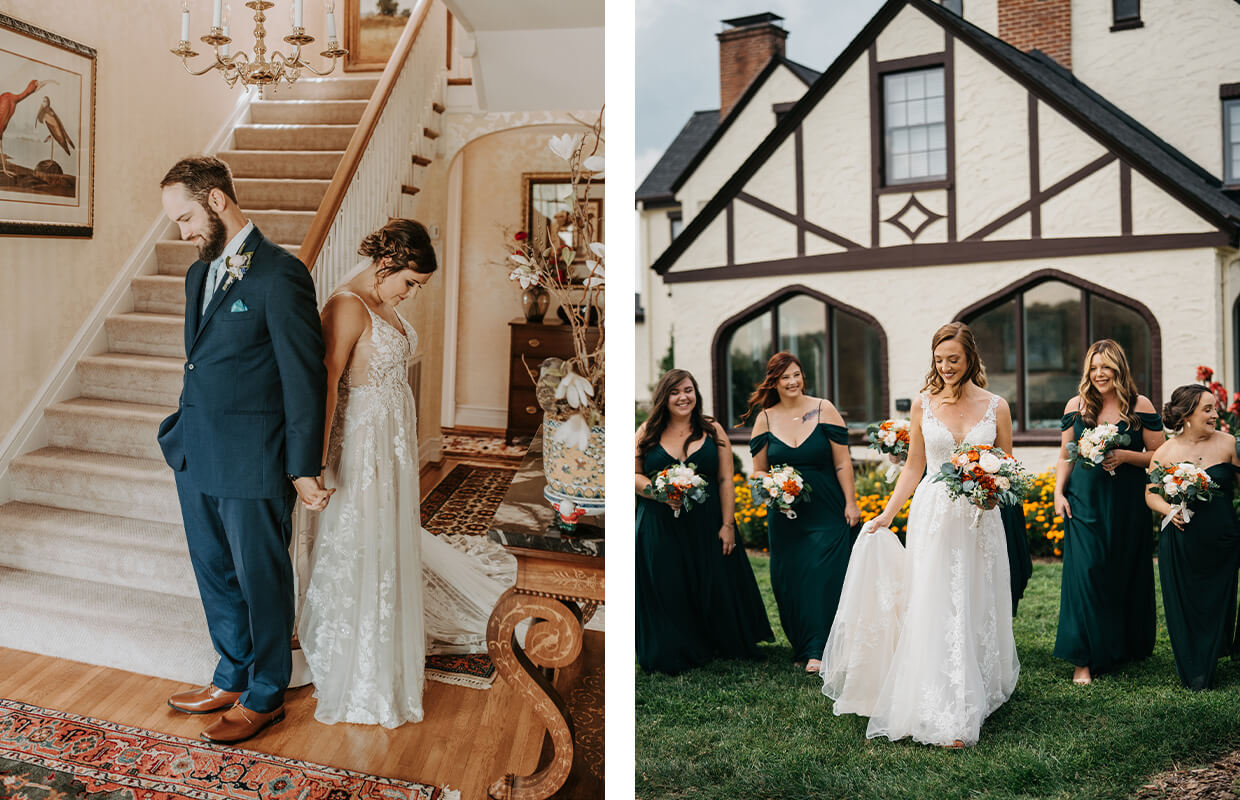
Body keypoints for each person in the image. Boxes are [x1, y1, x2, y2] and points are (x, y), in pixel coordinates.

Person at [296, 219, 514, 727]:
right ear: (386, 264)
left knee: (388, 542)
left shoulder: (382, 304)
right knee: (362, 544)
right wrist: (313, 461)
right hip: (361, 451)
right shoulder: (346, 305)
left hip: (390, 448)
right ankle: (360, 662)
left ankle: (387, 630)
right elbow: (327, 382)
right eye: (410, 283)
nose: (411, 294)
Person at [156, 155, 330, 744]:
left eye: (184, 219)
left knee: (261, 579)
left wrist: (303, 467)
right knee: (214, 573)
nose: (181, 234)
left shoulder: (280, 274)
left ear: (217, 201)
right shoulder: (197, 275)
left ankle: (266, 692)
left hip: (255, 458)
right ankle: (230, 673)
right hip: (196, 451)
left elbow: (304, 376)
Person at [821, 321, 1019, 747]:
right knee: (935, 601)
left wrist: (991, 496)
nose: (946, 367)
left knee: (974, 599)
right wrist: (889, 514)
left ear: (971, 360)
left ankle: (977, 687)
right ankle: (945, 703)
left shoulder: (996, 405)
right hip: (933, 515)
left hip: (980, 519)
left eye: (954, 360)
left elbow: (1007, 465)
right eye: (940, 360)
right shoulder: (923, 404)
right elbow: (914, 466)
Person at [634, 369, 773, 674]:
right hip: (660, 523)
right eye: (675, 392)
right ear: (663, 397)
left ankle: (715, 640)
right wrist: (658, 493)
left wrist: (727, 525)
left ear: (696, 394)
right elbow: (632, 475)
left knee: (711, 583)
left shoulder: (713, 431)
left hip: (707, 522)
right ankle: (674, 645)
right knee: (668, 585)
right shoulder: (647, 431)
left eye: (688, 390)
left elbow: (725, 478)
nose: (683, 397)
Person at [1053, 340, 1162, 685]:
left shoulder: (1139, 405)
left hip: (1127, 502)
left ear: (1119, 369)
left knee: (1122, 569)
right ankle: (1083, 660)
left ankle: (1122, 645)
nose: (1100, 374)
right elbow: (1065, 454)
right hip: (1084, 499)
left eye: (1106, 367)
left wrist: (1128, 456)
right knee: (1085, 572)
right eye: (1094, 368)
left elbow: (1161, 455)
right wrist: (1058, 492)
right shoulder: (1077, 405)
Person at [745, 353, 860, 674]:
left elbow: (842, 461)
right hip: (786, 515)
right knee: (790, 580)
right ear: (774, 382)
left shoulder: (825, 409)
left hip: (827, 508)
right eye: (785, 378)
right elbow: (757, 472)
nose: (792, 381)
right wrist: (774, 488)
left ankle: (820, 649)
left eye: (796, 375)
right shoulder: (765, 419)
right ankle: (803, 643)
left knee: (824, 577)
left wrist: (851, 503)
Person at [1145, 385, 1240, 690]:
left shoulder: (1228, 444)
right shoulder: (1166, 452)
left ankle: (1217, 650)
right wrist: (1168, 511)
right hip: (1183, 540)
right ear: (1187, 415)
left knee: (1219, 601)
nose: (1216, 414)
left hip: (1224, 539)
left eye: (1215, 408)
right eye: (1208, 410)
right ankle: (1195, 668)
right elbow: (1151, 494)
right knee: (1187, 603)